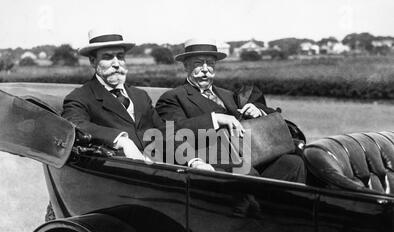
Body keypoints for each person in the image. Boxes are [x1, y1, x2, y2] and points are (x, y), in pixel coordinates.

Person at [155, 39, 305, 183]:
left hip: (254, 154)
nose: (205, 69)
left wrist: (258, 112)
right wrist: (215, 119)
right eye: (198, 63)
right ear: (186, 66)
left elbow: (272, 116)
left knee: (294, 163)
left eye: (211, 64)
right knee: (246, 172)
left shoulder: (228, 94)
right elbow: (168, 133)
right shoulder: (172, 97)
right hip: (216, 164)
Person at [62, 29, 212, 170]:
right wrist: (121, 140)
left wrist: (194, 161)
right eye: (108, 57)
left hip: (158, 172)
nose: (116, 64)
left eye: (120, 57)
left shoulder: (140, 96)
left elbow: (163, 133)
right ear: (93, 61)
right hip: (118, 177)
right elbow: (73, 124)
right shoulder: (80, 97)